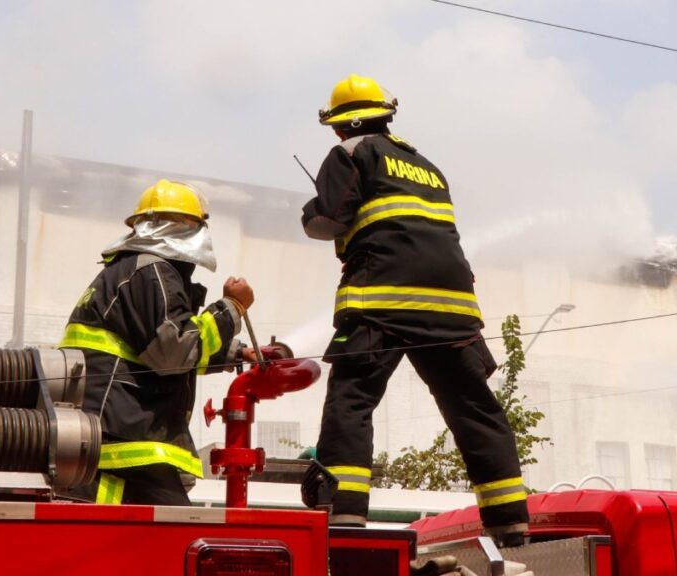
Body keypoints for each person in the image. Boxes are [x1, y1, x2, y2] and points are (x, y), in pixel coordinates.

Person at [302, 74, 529, 544]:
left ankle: (345, 516)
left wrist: (310, 212)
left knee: (351, 401)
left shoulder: (349, 153)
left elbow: (330, 218)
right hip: (452, 308)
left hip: (380, 299)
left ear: (339, 125)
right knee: (473, 408)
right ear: (386, 114)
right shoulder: (427, 166)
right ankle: (510, 521)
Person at [60, 179, 255, 505]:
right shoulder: (152, 270)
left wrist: (236, 352)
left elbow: (157, 347)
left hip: (108, 426)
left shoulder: (130, 269)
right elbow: (172, 352)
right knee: (176, 534)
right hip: (123, 432)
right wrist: (231, 309)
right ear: (190, 227)